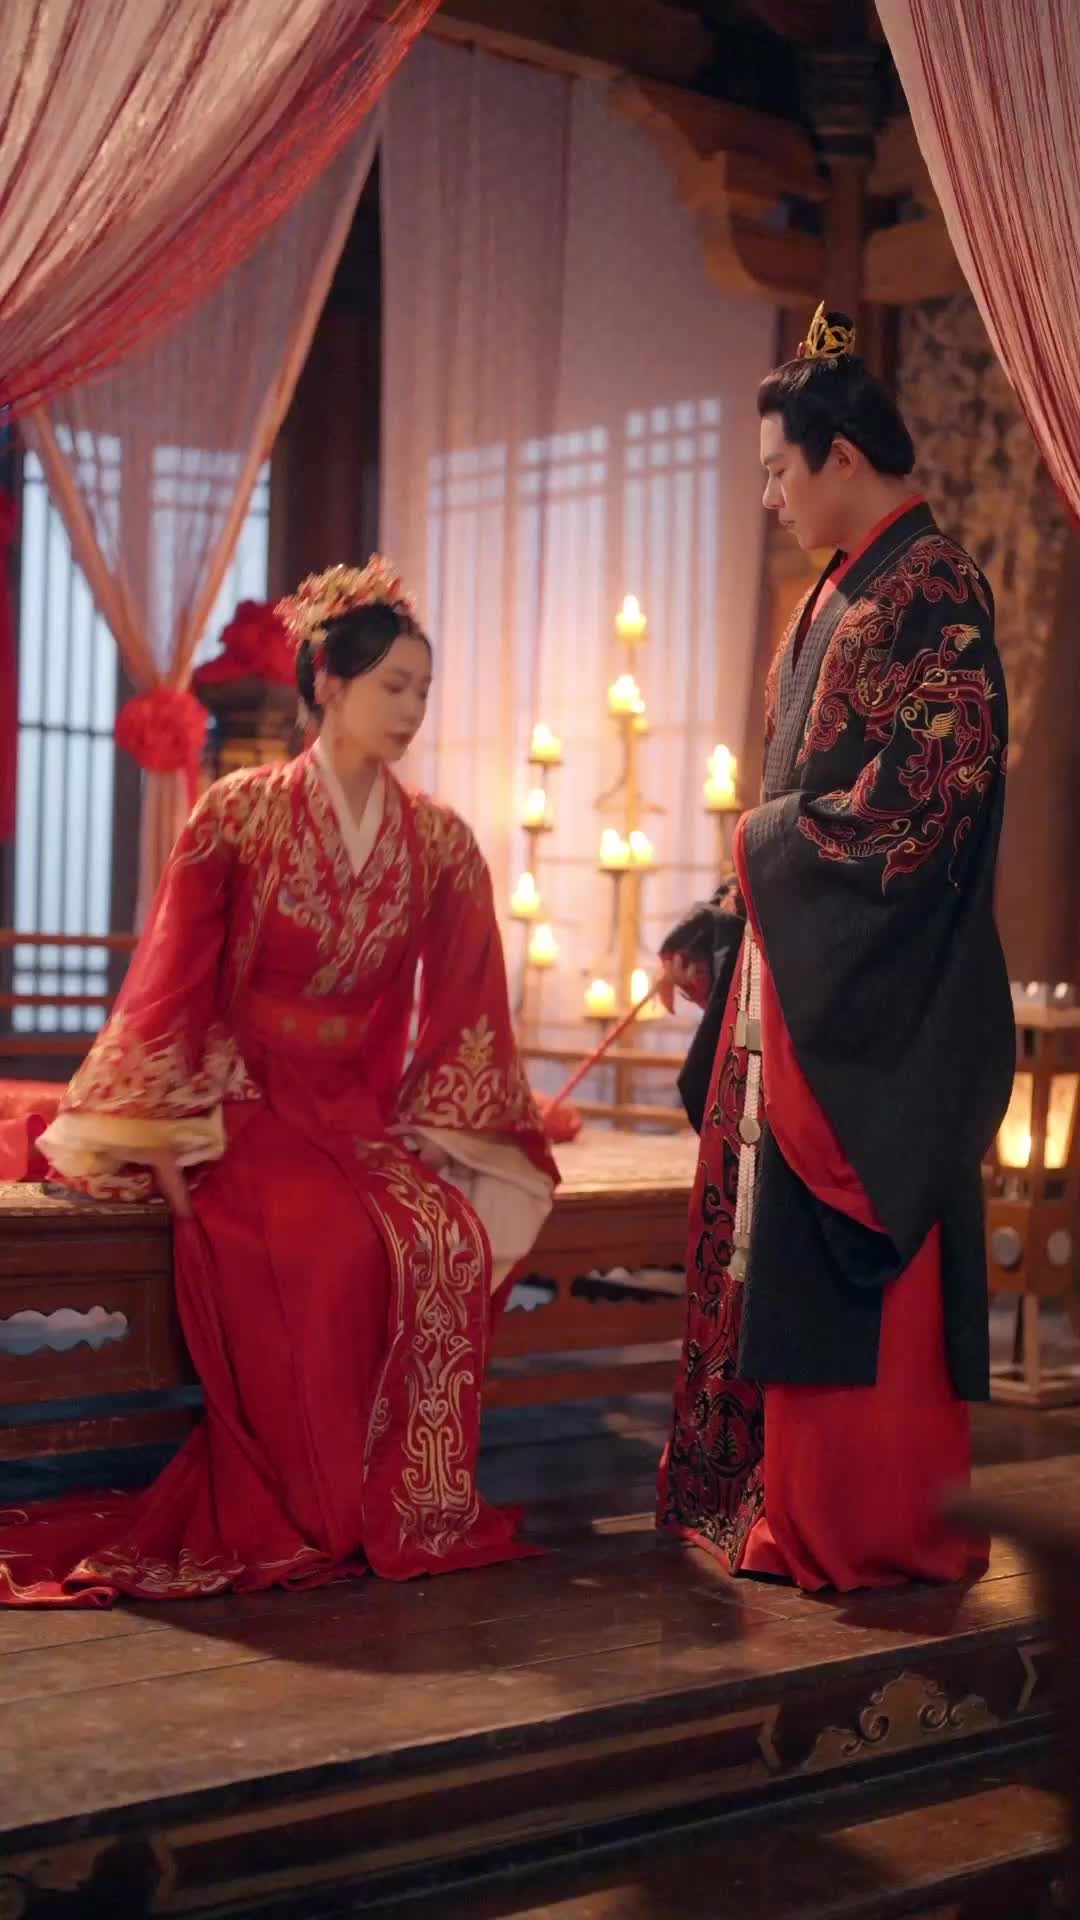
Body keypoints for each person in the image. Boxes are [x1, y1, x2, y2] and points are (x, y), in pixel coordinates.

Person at [0, 558, 557, 1606]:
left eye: (423, 690)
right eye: (393, 686)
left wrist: (447, 1126)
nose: (412, 709)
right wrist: (163, 1128)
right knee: (322, 1245)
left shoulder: (439, 841)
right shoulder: (239, 813)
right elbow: (174, 981)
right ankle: (318, 1511)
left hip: (358, 1112)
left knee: (444, 1236)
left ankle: (405, 1501)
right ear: (328, 686)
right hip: (244, 1103)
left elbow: (469, 998)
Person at [656, 307, 1014, 1592]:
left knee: (856, 1252)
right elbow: (805, 788)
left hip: (877, 997)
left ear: (844, 456)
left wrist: (763, 855)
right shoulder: (845, 586)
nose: (768, 496)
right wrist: (727, 913)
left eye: (778, 470)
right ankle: (773, 1497)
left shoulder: (938, 590)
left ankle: (861, 1521)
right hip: (805, 967)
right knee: (771, 1241)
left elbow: (923, 801)